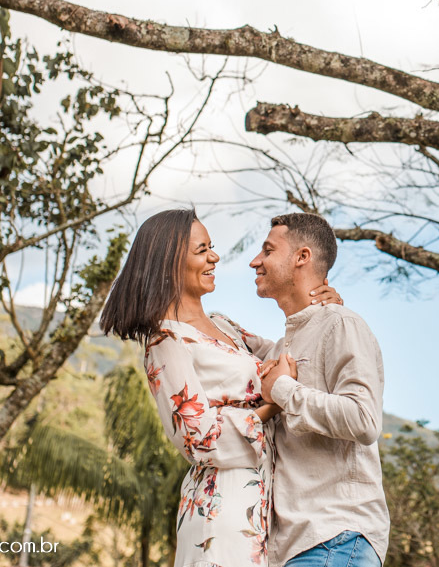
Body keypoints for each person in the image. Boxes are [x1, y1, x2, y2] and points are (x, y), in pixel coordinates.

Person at [99, 208, 343, 567]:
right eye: (202, 250)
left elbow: (287, 356)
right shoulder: (165, 341)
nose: (215, 256)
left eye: (211, 247)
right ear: (168, 262)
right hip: (221, 511)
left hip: (265, 510)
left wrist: (321, 309)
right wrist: (272, 403)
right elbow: (198, 439)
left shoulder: (224, 326)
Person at [245, 212, 390, 567]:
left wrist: (282, 390)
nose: (255, 261)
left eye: (267, 250)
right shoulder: (283, 347)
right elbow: (229, 337)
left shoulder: (341, 324)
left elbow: (364, 419)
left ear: (302, 257)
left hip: (335, 539)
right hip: (298, 549)